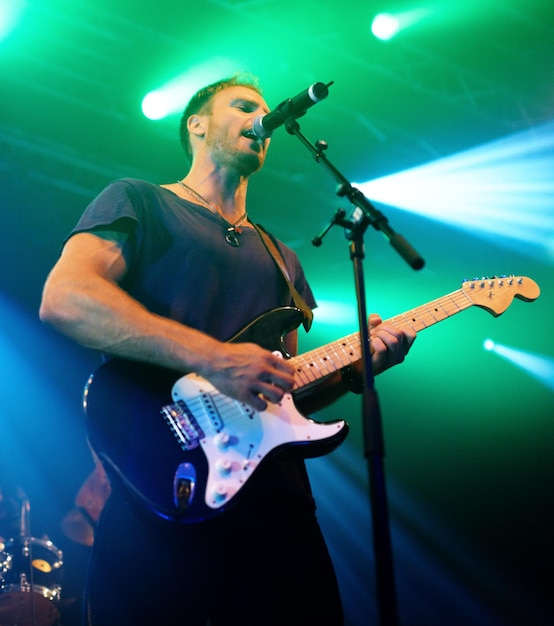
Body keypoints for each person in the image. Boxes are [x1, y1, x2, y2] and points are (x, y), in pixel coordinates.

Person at [39, 74, 416, 626]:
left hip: (275, 509)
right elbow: (66, 298)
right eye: (242, 107)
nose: (261, 120)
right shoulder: (140, 201)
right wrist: (214, 357)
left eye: (264, 114)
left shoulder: (282, 257)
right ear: (196, 124)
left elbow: (281, 398)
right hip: (162, 485)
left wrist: (357, 371)